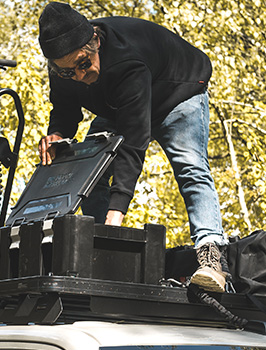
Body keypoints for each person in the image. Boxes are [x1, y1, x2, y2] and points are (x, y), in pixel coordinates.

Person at [36, 2, 232, 292]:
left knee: (190, 168)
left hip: (178, 90)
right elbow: (65, 109)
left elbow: (133, 140)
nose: (79, 76)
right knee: (92, 168)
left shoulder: (126, 60)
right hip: (123, 103)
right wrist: (57, 133)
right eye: (68, 72)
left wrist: (117, 210)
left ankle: (213, 260)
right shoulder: (64, 65)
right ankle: (101, 255)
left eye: (82, 64)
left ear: (96, 42)